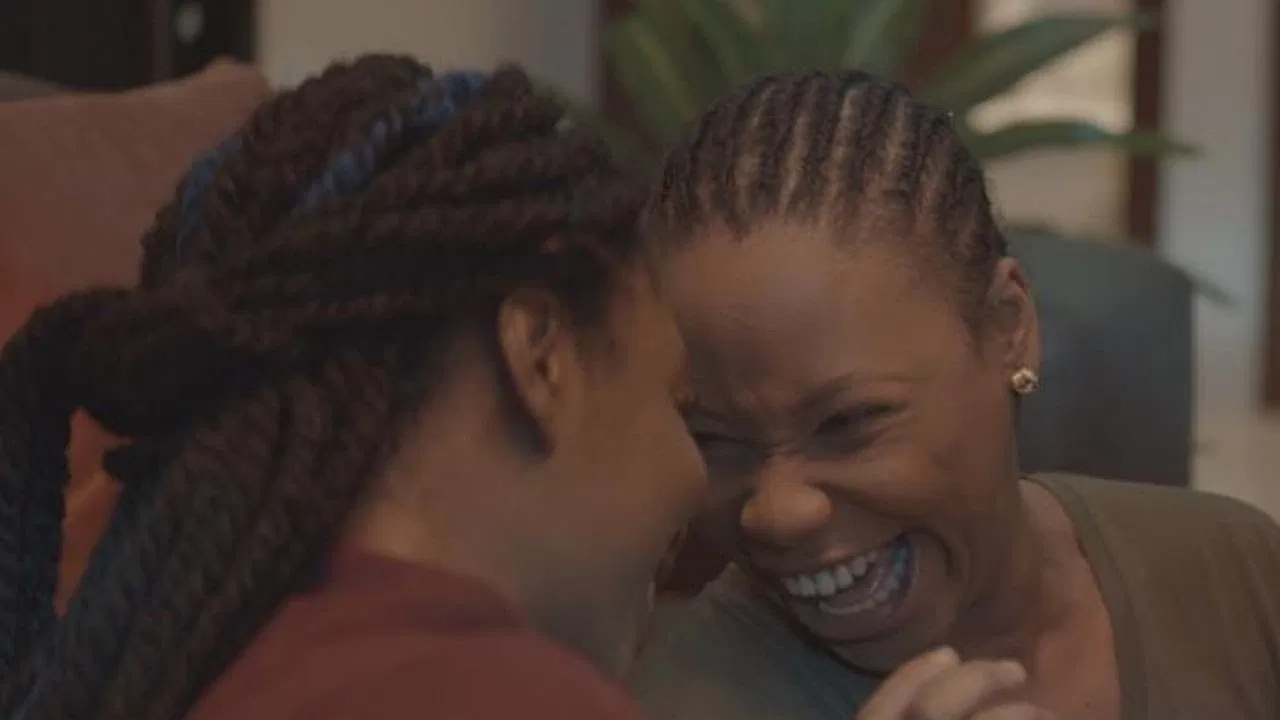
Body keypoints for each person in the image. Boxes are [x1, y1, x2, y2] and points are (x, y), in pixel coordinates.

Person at [0, 55, 705, 720]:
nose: (697, 474)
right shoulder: (513, 702)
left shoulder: (156, 677)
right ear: (540, 354)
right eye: (679, 405)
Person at [629, 68, 1280, 720]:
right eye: (713, 440)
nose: (777, 513)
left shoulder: (1236, 574)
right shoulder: (687, 701)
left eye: (850, 421)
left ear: (1007, 327)